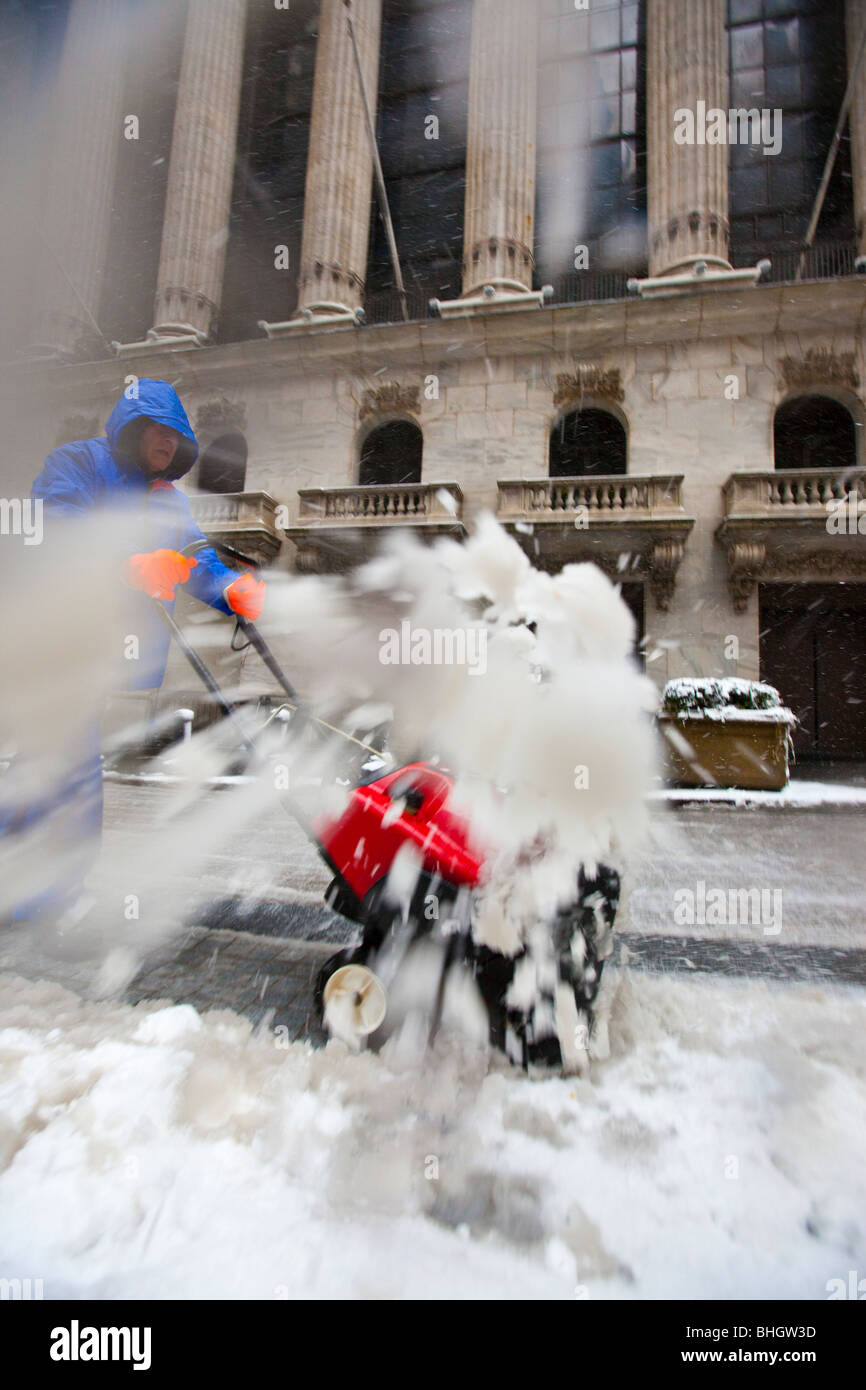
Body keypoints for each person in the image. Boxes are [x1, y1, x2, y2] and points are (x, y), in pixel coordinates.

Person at [2, 378, 265, 925]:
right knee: (57, 759)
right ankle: (34, 888)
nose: (168, 446)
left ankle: (48, 886)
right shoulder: (79, 462)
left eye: (176, 438)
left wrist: (230, 591)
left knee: (67, 762)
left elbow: (193, 559)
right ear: (133, 427)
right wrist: (129, 562)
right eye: (159, 433)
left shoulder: (166, 498)